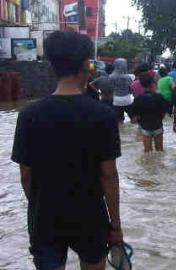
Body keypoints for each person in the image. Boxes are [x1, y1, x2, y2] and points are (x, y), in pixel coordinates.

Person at [11, 31, 123, 270]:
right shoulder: (102, 115)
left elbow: (25, 176)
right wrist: (115, 226)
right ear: (86, 65)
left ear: (52, 66)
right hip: (90, 215)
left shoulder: (29, 115)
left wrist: (42, 207)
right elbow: (109, 175)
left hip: (46, 217)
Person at [132, 73, 169, 152]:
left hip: (145, 128)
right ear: (152, 84)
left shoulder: (138, 99)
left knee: (147, 152)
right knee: (160, 151)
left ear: (142, 85)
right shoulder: (159, 97)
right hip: (158, 126)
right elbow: (164, 112)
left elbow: (136, 115)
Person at [109, 58, 134, 123]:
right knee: (133, 119)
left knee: (119, 120)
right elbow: (131, 89)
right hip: (127, 99)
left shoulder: (111, 77)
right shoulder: (128, 77)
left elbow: (110, 89)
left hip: (116, 100)